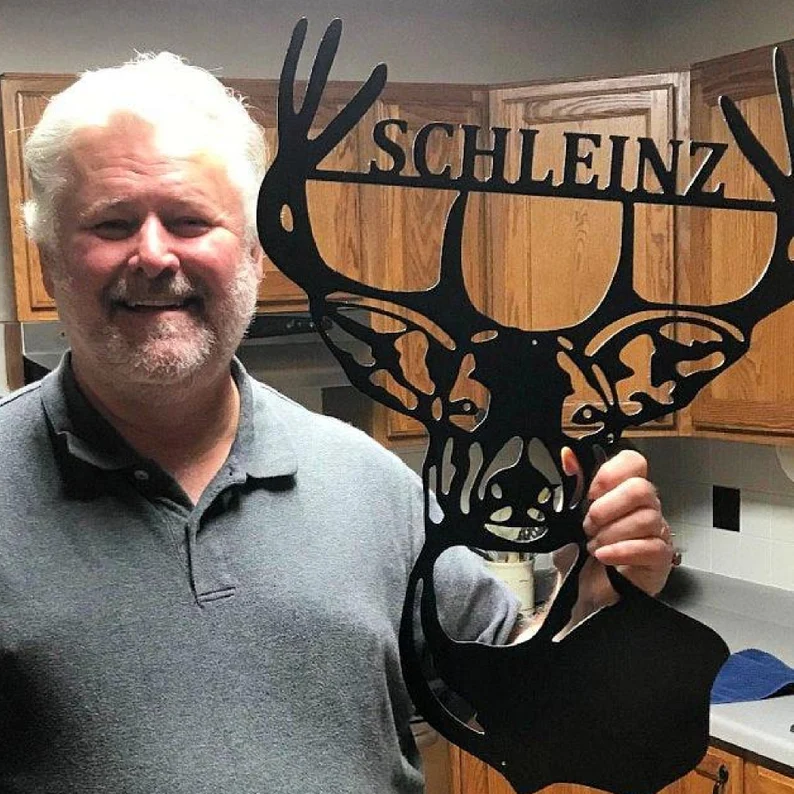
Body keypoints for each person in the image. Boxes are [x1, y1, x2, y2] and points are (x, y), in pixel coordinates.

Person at [0, 53, 675, 793]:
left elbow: (516, 695)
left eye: (190, 220)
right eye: (112, 222)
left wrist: (595, 602)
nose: (155, 255)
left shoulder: (371, 484)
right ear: (51, 259)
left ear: (254, 253)